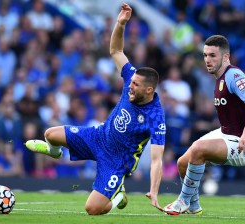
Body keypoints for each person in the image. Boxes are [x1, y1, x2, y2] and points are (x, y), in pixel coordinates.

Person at [25, 3, 166, 215]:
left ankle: (117, 193)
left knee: (92, 209)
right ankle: (54, 153)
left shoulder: (156, 117)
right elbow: (116, 50)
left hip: (116, 161)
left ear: (149, 90)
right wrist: (120, 24)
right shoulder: (131, 77)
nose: (130, 85)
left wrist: (154, 191)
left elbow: (157, 159)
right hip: (98, 136)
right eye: (131, 81)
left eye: (135, 85)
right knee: (50, 134)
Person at [163, 35, 245, 215]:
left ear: (226, 57)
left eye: (212, 55)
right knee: (182, 163)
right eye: (205, 55)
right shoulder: (218, 78)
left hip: (244, 142)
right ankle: (194, 207)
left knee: (198, 149)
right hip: (226, 134)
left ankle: (183, 200)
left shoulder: (234, 74)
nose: (207, 60)